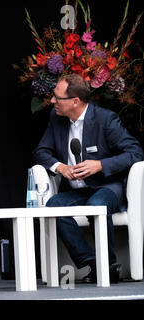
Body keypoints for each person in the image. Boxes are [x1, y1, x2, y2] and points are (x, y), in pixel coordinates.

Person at [33, 73, 144, 283]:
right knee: (54, 205)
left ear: (75, 101)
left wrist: (100, 165)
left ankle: (107, 263)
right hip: (77, 189)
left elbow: (135, 152)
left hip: (107, 186)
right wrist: (60, 167)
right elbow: (41, 152)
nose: (52, 101)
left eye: (57, 97)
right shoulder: (56, 119)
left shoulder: (105, 120)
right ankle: (95, 264)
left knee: (97, 204)